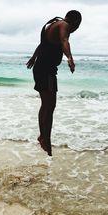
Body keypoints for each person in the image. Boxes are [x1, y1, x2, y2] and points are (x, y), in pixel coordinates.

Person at [26, 10, 82, 156]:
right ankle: (46, 140)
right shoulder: (64, 25)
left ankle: (42, 136)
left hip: (40, 68)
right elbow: (64, 40)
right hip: (46, 70)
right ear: (74, 21)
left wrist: (33, 57)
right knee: (50, 106)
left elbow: (42, 45)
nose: (75, 29)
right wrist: (69, 57)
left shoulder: (51, 24)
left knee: (46, 104)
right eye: (77, 25)